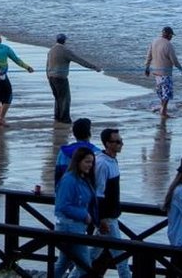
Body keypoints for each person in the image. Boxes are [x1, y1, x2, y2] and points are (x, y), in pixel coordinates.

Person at [53, 145, 99, 278]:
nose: (90, 165)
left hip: (76, 227)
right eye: (87, 162)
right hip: (68, 227)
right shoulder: (69, 180)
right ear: (78, 161)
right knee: (85, 266)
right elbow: (62, 206)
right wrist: (84, 215)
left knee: (64, 262)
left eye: (91, 162)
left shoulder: (83, 179)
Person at [92, 126, 132, 278]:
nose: (121, 144)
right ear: (108, 144)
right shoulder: (103, 164)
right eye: (117, 142)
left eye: (121, 141)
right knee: (120, 255)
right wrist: (102, 219)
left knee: (92, 255)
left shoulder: (111, 161)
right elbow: (99, 193)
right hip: (107, 217)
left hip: (110, 215)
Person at [0, 29, 34, 126]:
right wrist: (27, 67)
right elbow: (17, 60)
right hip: (1, 77)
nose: (1, 38)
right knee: (8, 98)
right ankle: (1, 118)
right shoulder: (5, 48)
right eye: (0, 37)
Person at [144, 26, 182, 118]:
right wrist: (180, 68)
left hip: (156, 73)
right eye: (171, 35)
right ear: (169, 35)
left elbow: (149, 55)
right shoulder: (168, 45)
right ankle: (163, 111)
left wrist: (147, 67)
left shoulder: (154, 41)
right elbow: (174, 60)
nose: (172, 37)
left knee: (161, 92)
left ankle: (162, 109)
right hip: (165, 74)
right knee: (167, 93)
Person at [54, 117, 97, 186]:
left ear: (74, 134)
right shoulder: (95, 151)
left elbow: (58, 175)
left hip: (66, 188)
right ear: (90, 133)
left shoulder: (63, 152)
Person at [46, 33, 76, 123]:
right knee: (65, 98)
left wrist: (48, 76)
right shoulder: (65, 51)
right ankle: (65, 119)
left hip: (50, 77)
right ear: (64, 41)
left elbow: (47, 65)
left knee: (58, 98)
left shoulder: (51, 50)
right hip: (60, 78)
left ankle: (57, 117)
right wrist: (94, 67)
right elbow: (79, 60)